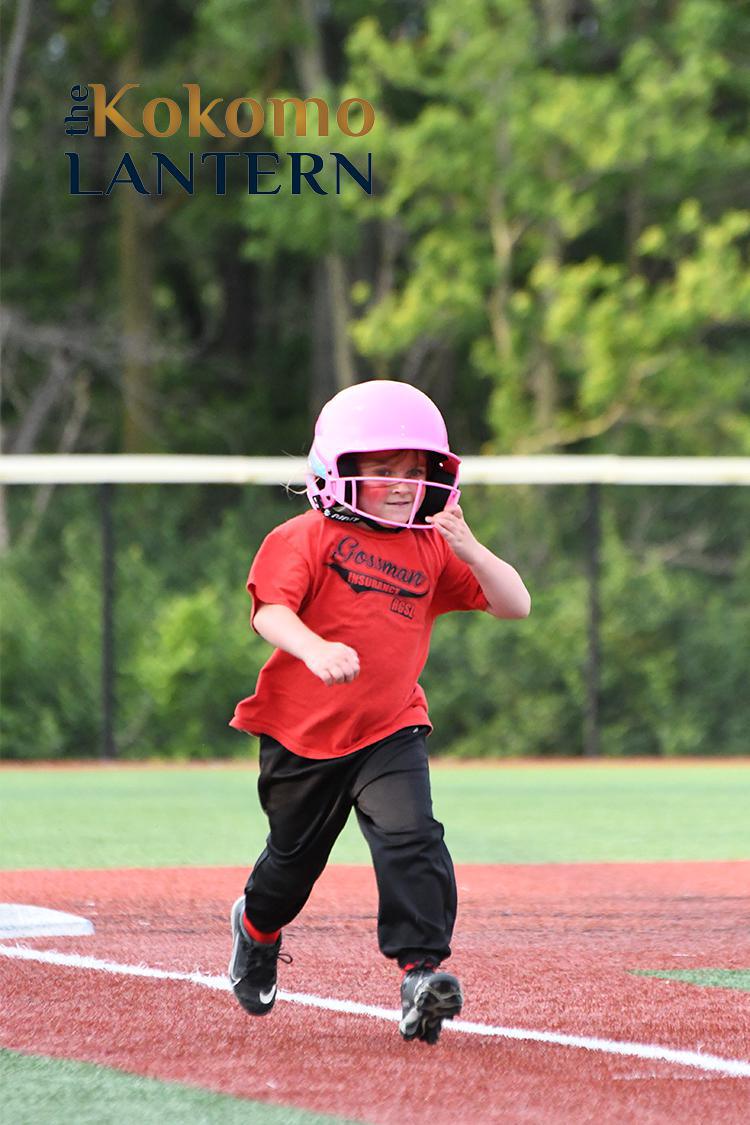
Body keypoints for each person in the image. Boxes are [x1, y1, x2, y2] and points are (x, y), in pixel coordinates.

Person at [228, 380, 530, 1045]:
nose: (402, 483)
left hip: (390, 727)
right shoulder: (303, 534)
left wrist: (471, 545)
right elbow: (270, 611)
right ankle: (257, 927)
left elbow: (515, 603)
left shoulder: (429, 545)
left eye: (415, 470)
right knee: (290, 866)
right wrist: (313, 647)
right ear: (339, 470)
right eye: (384, 470)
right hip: (303, 736)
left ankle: (422, 972)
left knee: (411, 838)